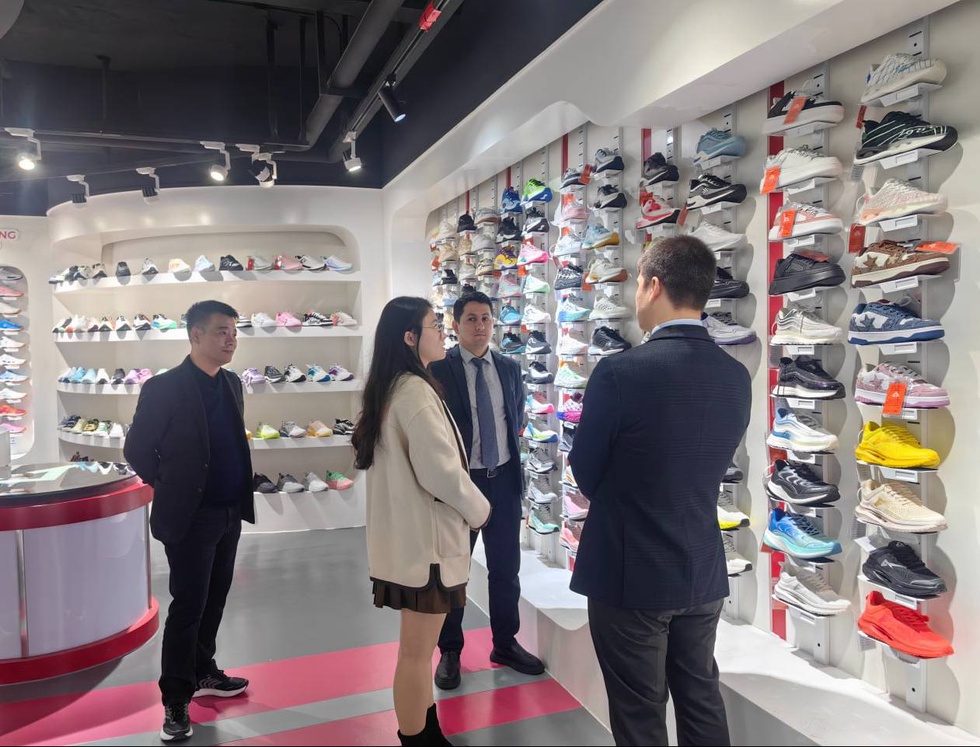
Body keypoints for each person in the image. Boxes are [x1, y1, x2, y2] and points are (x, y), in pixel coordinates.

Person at [569, 236, 751, 746]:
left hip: (631, 569)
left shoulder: (619, 372)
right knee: (701, 700)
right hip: (702, 566)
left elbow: (585, 471)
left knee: (639, 717)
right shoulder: (736, 376)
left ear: (653, 285)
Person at [352, 296, 491, 747]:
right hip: (427, 548)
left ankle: (427, 731)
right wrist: (481, 511)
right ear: (410, 337)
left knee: (416, 652)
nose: (443, 333)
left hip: (414, 544)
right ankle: (416, 738)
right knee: (415, 655)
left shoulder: (396, 387)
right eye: (435, 326)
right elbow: (441, 474)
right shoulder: (413, 392)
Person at [124, 300, 254, 743]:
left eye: (234, 332)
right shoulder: (164, 388)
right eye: (221, 331)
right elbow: (137, 450)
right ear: (195, 335)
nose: (231, 340)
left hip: (229, 511)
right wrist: (171, 485)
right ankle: (176, 699)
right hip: (191, 517)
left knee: (214, 600)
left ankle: (203, 670)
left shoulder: (232, 383)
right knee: (188, 607)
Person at [430, 291, 545, 689]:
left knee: (505, 570)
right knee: (454, 571)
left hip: (504, 480)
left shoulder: (509, 368)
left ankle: (505, 643)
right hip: (462, 484)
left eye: (485, 319)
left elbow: (516, 417)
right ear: (456, 324)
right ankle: (450, 650)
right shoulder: (439, 370)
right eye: (471, 319)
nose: (480, 326)